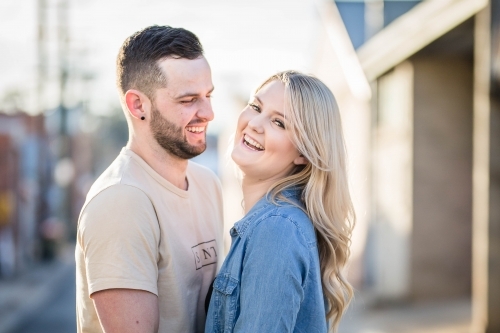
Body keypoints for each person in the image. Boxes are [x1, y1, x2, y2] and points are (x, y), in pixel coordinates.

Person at [76, 25, 224, 333]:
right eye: (188, 100)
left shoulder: (207, 184)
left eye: (208, 95)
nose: (208, 112)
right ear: (138, 105)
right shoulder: (120, 202)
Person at [205, 70, 355, 333]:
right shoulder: (274, 222)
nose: (254, 124)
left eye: (279, 123)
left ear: (304, 154)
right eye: (255, 107)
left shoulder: (277, 228)